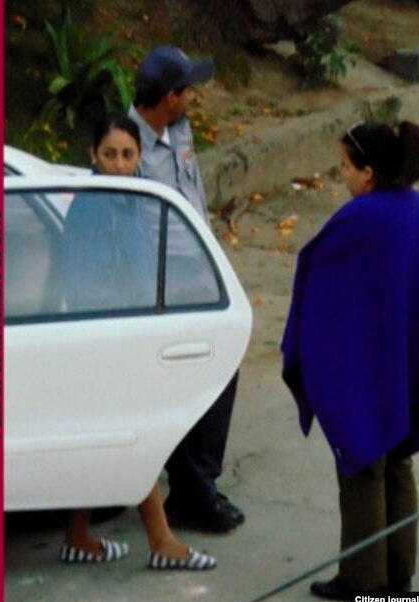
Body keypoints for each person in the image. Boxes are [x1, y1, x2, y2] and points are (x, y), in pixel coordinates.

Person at [281, 121, 419, 601]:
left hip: (367, 367)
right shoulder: (417, 207)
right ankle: (400, 576)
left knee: (363, 463)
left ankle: (364, 581)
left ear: (369, 172)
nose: (342, 175)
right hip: (405, 359)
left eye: (346, 167)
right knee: (397, 462)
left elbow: (315, 270)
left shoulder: (361, 219)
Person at [58, 114, 215, 571]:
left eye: (128, 155)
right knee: (137, 441)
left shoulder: (134, 199)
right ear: (93, 155)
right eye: (110, 154)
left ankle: (77, 535)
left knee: (111, 441)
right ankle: (161, 541)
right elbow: (82, 279)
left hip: (132, 335)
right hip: (109, 342)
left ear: (140, 156)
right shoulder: (93, 206)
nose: (119, 163)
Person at [128, 45, 244, 533]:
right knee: (182, 381)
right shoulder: (125, 143)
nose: (194, 95)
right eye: (188, 88)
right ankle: (193, 492)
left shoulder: (179, 130)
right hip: (163, 287)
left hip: (202, 273)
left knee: (222, 370)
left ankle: (199, 485)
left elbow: (191, 191)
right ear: (171, 97)